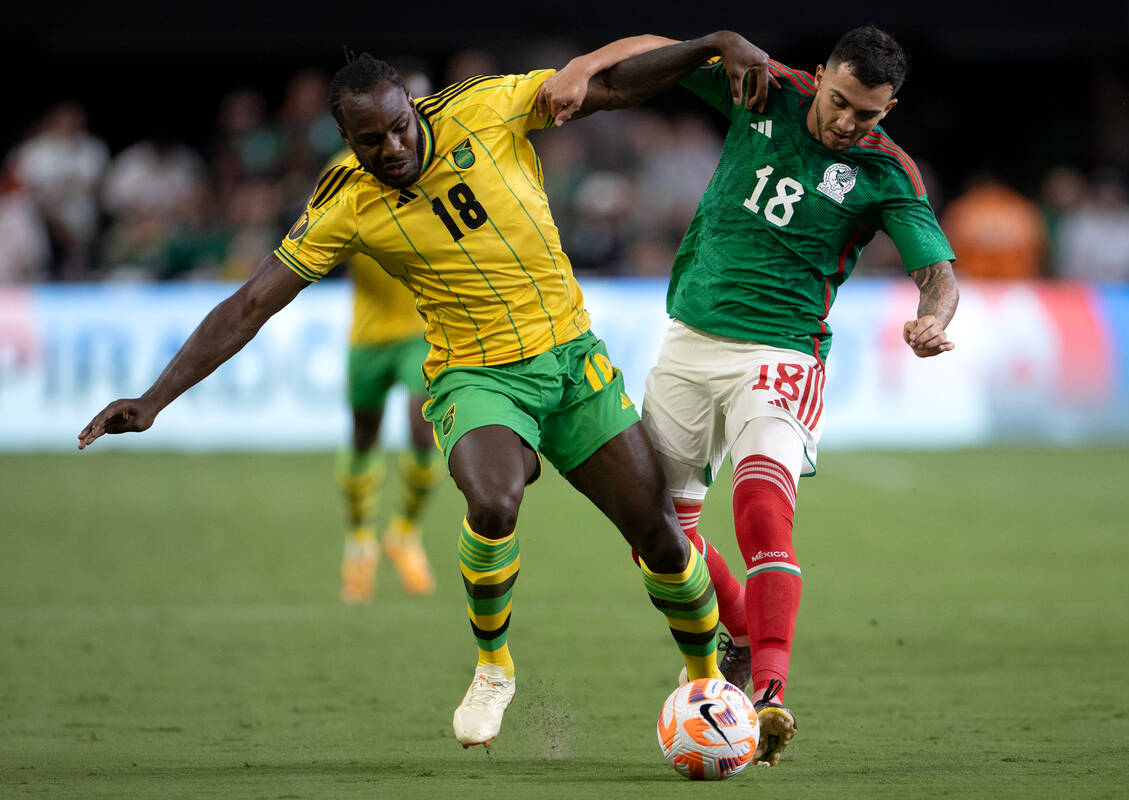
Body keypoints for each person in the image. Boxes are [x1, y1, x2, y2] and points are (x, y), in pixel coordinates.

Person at [78, 31, 779, 750]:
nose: (390, 149)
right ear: (344, 141)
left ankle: (704, 680)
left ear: (414, 108)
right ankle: (493, 667)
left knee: (662, 539)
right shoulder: (346, 204)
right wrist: (156, 397)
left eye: (398, 127)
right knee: (494, 498)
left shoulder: (489, 108)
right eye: (368, 140)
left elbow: (619, 86)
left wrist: (713, 47)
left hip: (572, 364)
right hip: (474, 375)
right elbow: (251, 303)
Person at [544, 24, 959, 766]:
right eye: (840, 102)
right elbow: (651, 46)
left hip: (782, 351)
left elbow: (938, 272)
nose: (848, 123)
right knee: (658, 535)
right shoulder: (762, 87)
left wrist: (934, 317)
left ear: (890, 107)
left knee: (761, 506)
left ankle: (767, 693)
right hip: (690, 339)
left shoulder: (889, 172)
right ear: (823, 73)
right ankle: (736, 636)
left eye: (869, 114)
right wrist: (580, 67)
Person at [336, 248, 441, 603]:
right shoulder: (350, 199)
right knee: (363, 440)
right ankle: (360, 542)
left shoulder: (421, 195)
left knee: (422, 429)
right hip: (367, 340)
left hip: (418, 333)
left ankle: (406, 533)